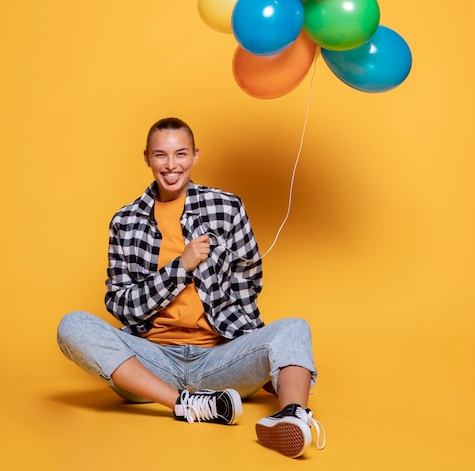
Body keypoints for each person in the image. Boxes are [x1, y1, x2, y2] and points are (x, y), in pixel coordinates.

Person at [57, 117, 325, 458]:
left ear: (195, 156)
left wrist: (274, 362)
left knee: (294, 329)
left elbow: (248, 282)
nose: (171, 165)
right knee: (73, 325)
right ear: (147, 158)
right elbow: (119, 304)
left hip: (219, 361)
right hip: (152, 365)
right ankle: (186, 404)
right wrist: (179, 268)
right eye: (161, 155)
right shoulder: (125, 221)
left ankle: (291, 417)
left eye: (180, 154)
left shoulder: (226, 207)